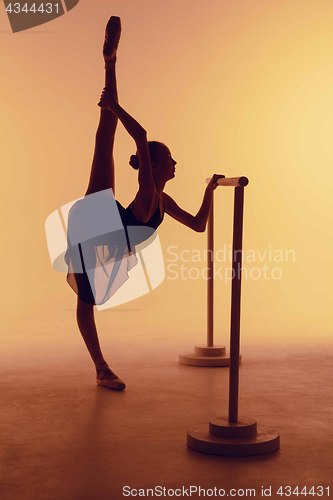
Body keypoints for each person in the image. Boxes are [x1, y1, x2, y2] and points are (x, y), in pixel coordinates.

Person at [68, 16, 221, 391]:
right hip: (102, 232)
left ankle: (110, 64)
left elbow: (200, 224)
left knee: (104, 136)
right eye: (169, 158)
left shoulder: (163, 200)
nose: (175, 162)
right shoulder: (151, 191)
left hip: (104, 228)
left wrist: (210, 189)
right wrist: (116, 107)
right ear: (154, 167)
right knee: (108, 127)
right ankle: (110, 63)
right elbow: (142, 135)